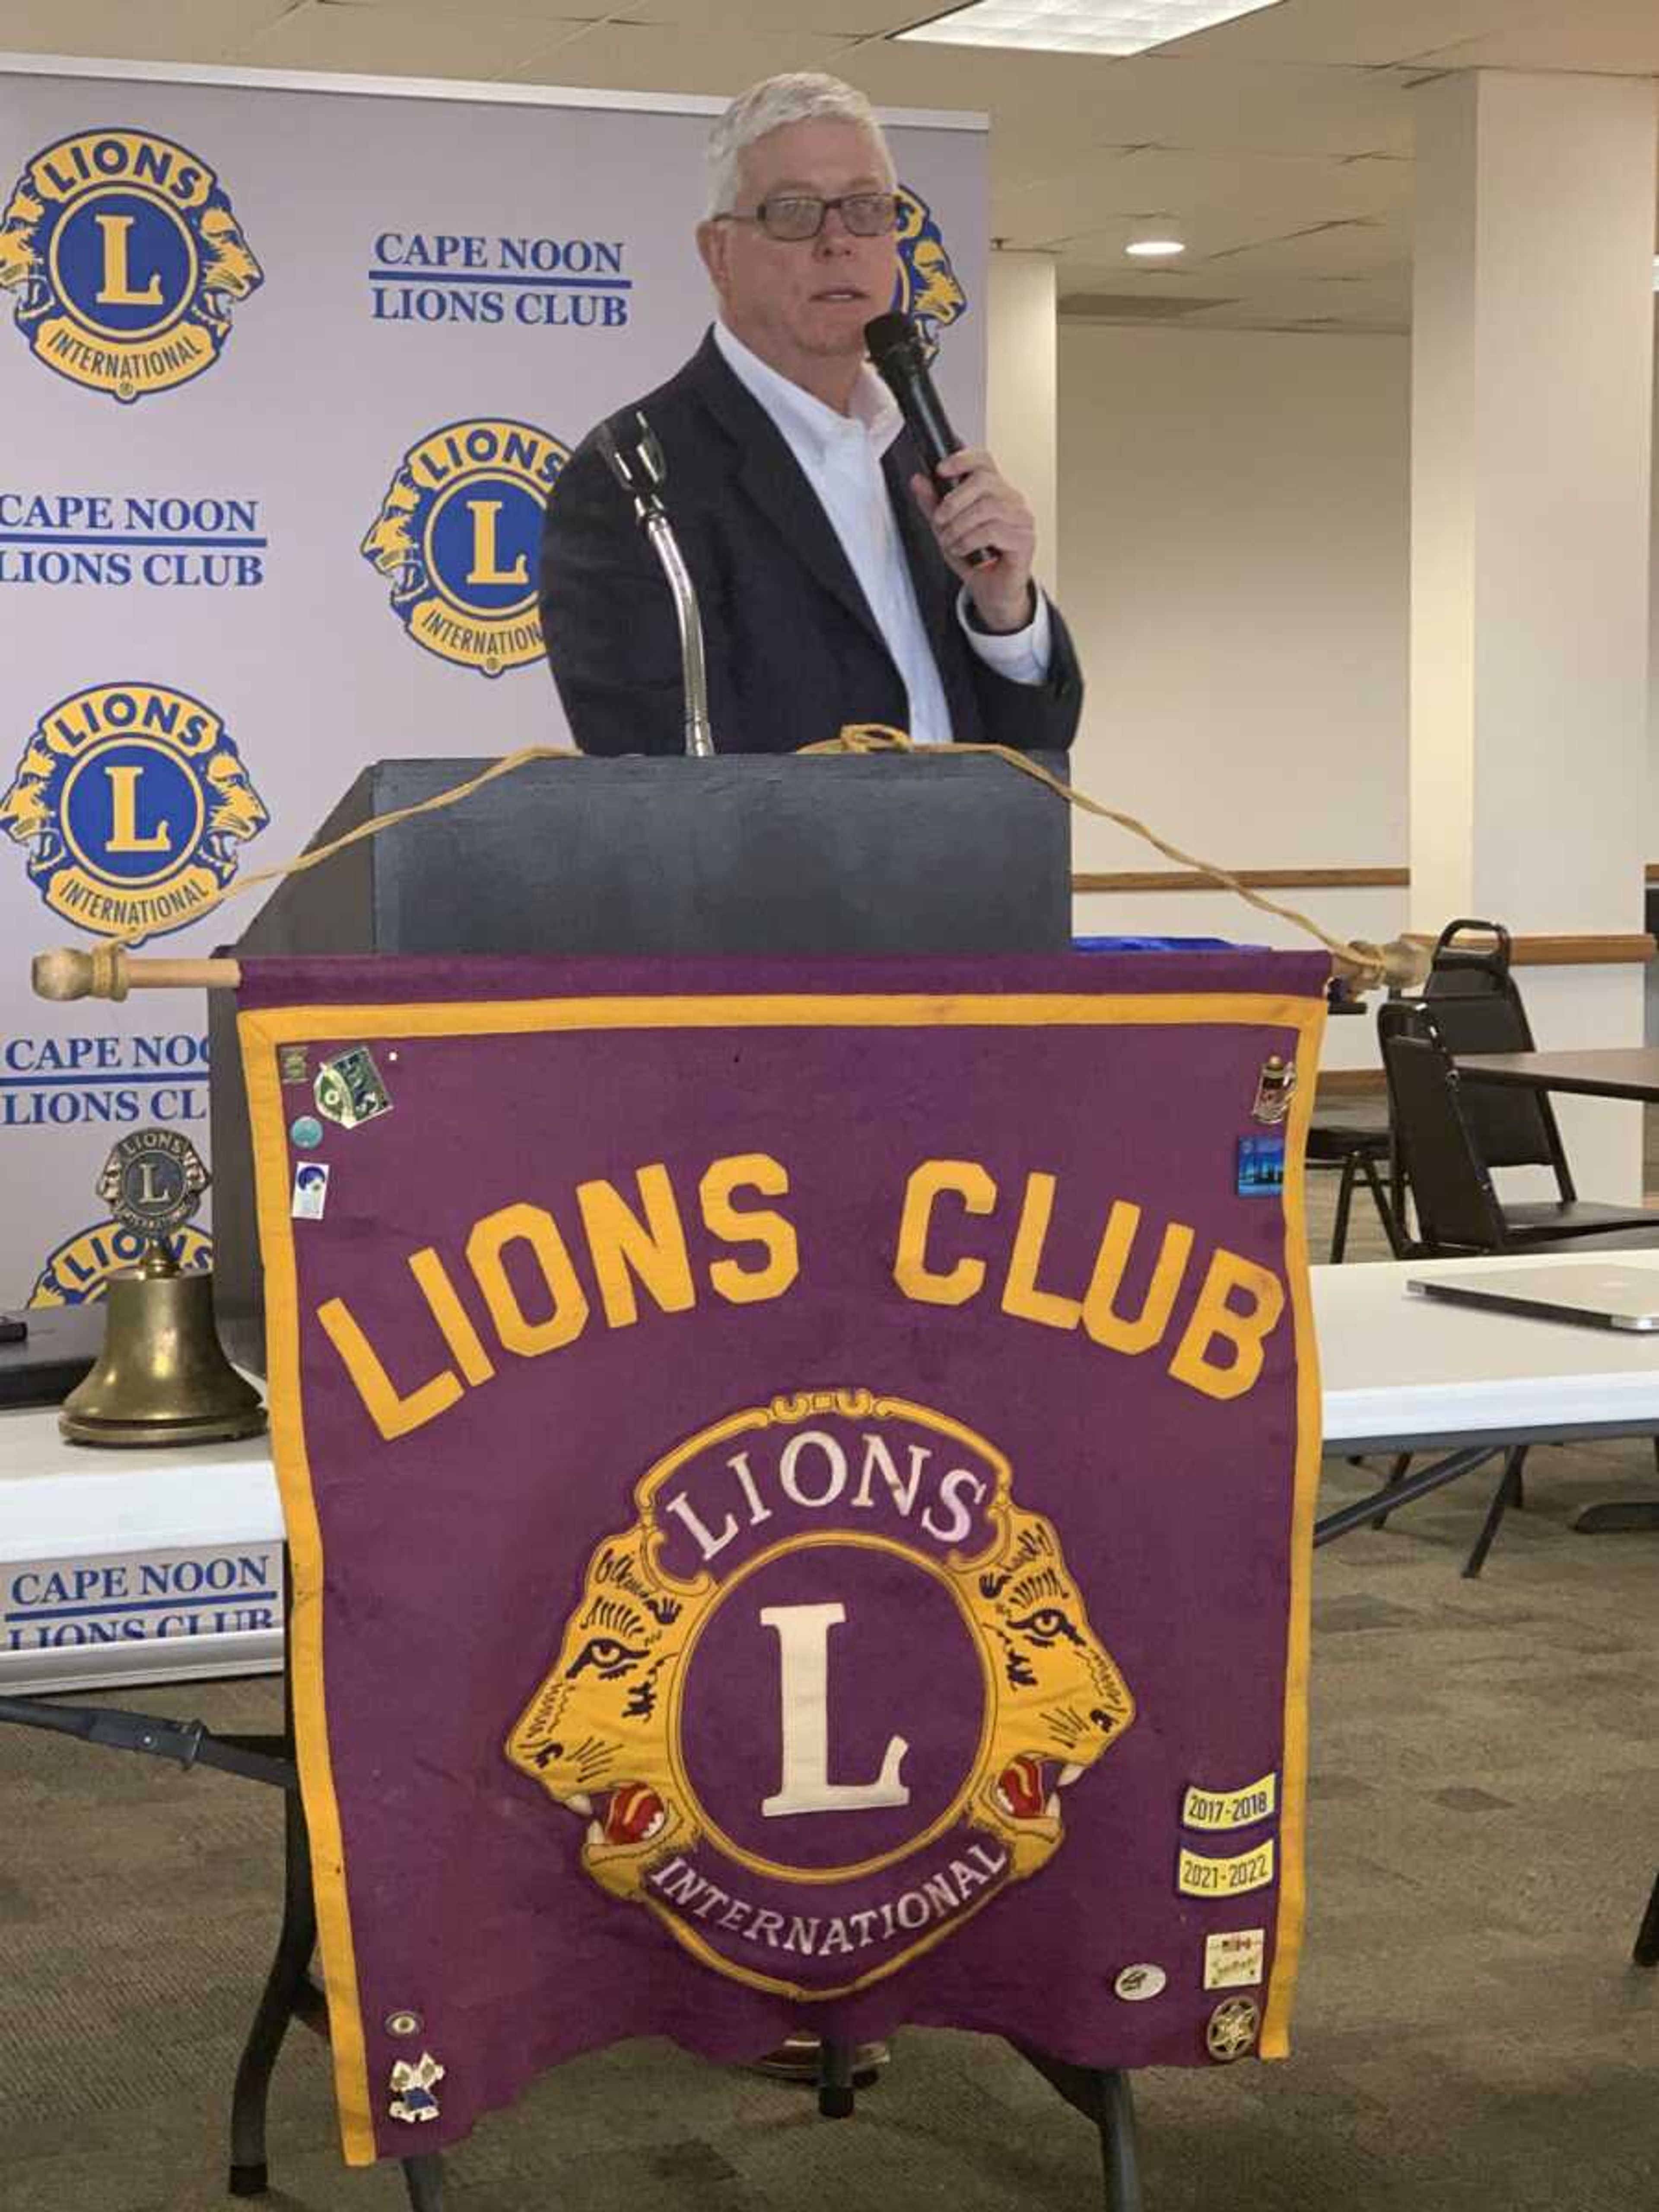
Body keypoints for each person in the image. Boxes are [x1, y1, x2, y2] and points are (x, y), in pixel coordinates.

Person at [539, 71, 1082, 756]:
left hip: (966, 864)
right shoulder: (633, 477)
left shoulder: (923, 458)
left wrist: (1005, 613)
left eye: (866, 208)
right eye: (794, 212)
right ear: (719, 253)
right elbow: (656, 787)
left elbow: (1035, 753)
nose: (839, 241)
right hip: (783, 869)